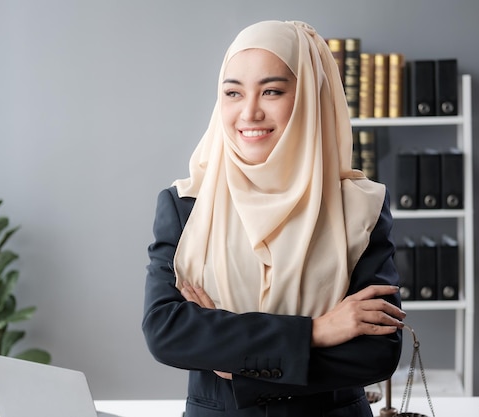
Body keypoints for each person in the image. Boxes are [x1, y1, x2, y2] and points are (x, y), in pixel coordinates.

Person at [142, 20, 406, 417]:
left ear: (308, 99)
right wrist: (318, 331)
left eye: (272, 91)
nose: (249, 112)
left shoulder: (359, 207)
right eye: (233, 92)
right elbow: (166, 331)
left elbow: (375, 353)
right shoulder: (187, 205)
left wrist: (235, 360)